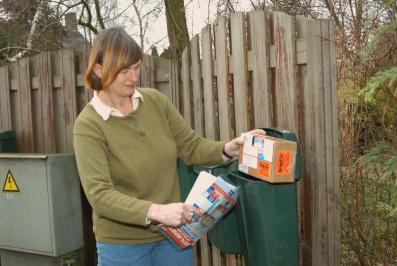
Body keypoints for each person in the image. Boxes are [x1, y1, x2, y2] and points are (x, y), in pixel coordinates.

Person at [73, 26, 265, 266]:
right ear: (99, 70)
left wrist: (227, 149)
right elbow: (100, 195)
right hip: (122, 246)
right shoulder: (89, 125)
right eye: (124, 71)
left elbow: (191, 146)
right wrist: (155, 211)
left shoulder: (155, 101)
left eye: (136, 67)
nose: (133, 78)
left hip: (173, 238)